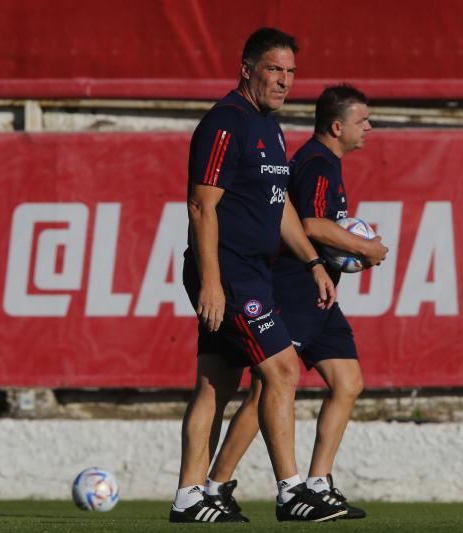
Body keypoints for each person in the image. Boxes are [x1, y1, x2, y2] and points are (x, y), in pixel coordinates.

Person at [170, 27, 347, 523]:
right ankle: (291, 491)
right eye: (274, 69)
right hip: (229, 274)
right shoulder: (226, 122)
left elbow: (280, 204)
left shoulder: (270, 127)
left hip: (252, 273)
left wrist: (312, 261)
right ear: (247, 69)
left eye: (291, 72)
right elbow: (201, 205)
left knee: (216, 384)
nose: (285, 80)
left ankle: (190, 496)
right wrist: (211, 282)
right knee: (283, 368)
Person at [202, 84, 388, 521]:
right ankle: (216, 485)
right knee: (266, 389)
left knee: (348, 381)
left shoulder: (324, 162)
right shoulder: (317, 163)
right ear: (337, 126)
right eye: (362, 120)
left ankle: (319, 483)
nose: (369, 127)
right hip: (296, 291)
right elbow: (312, 224)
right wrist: (364, 247)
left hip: (321, 295)